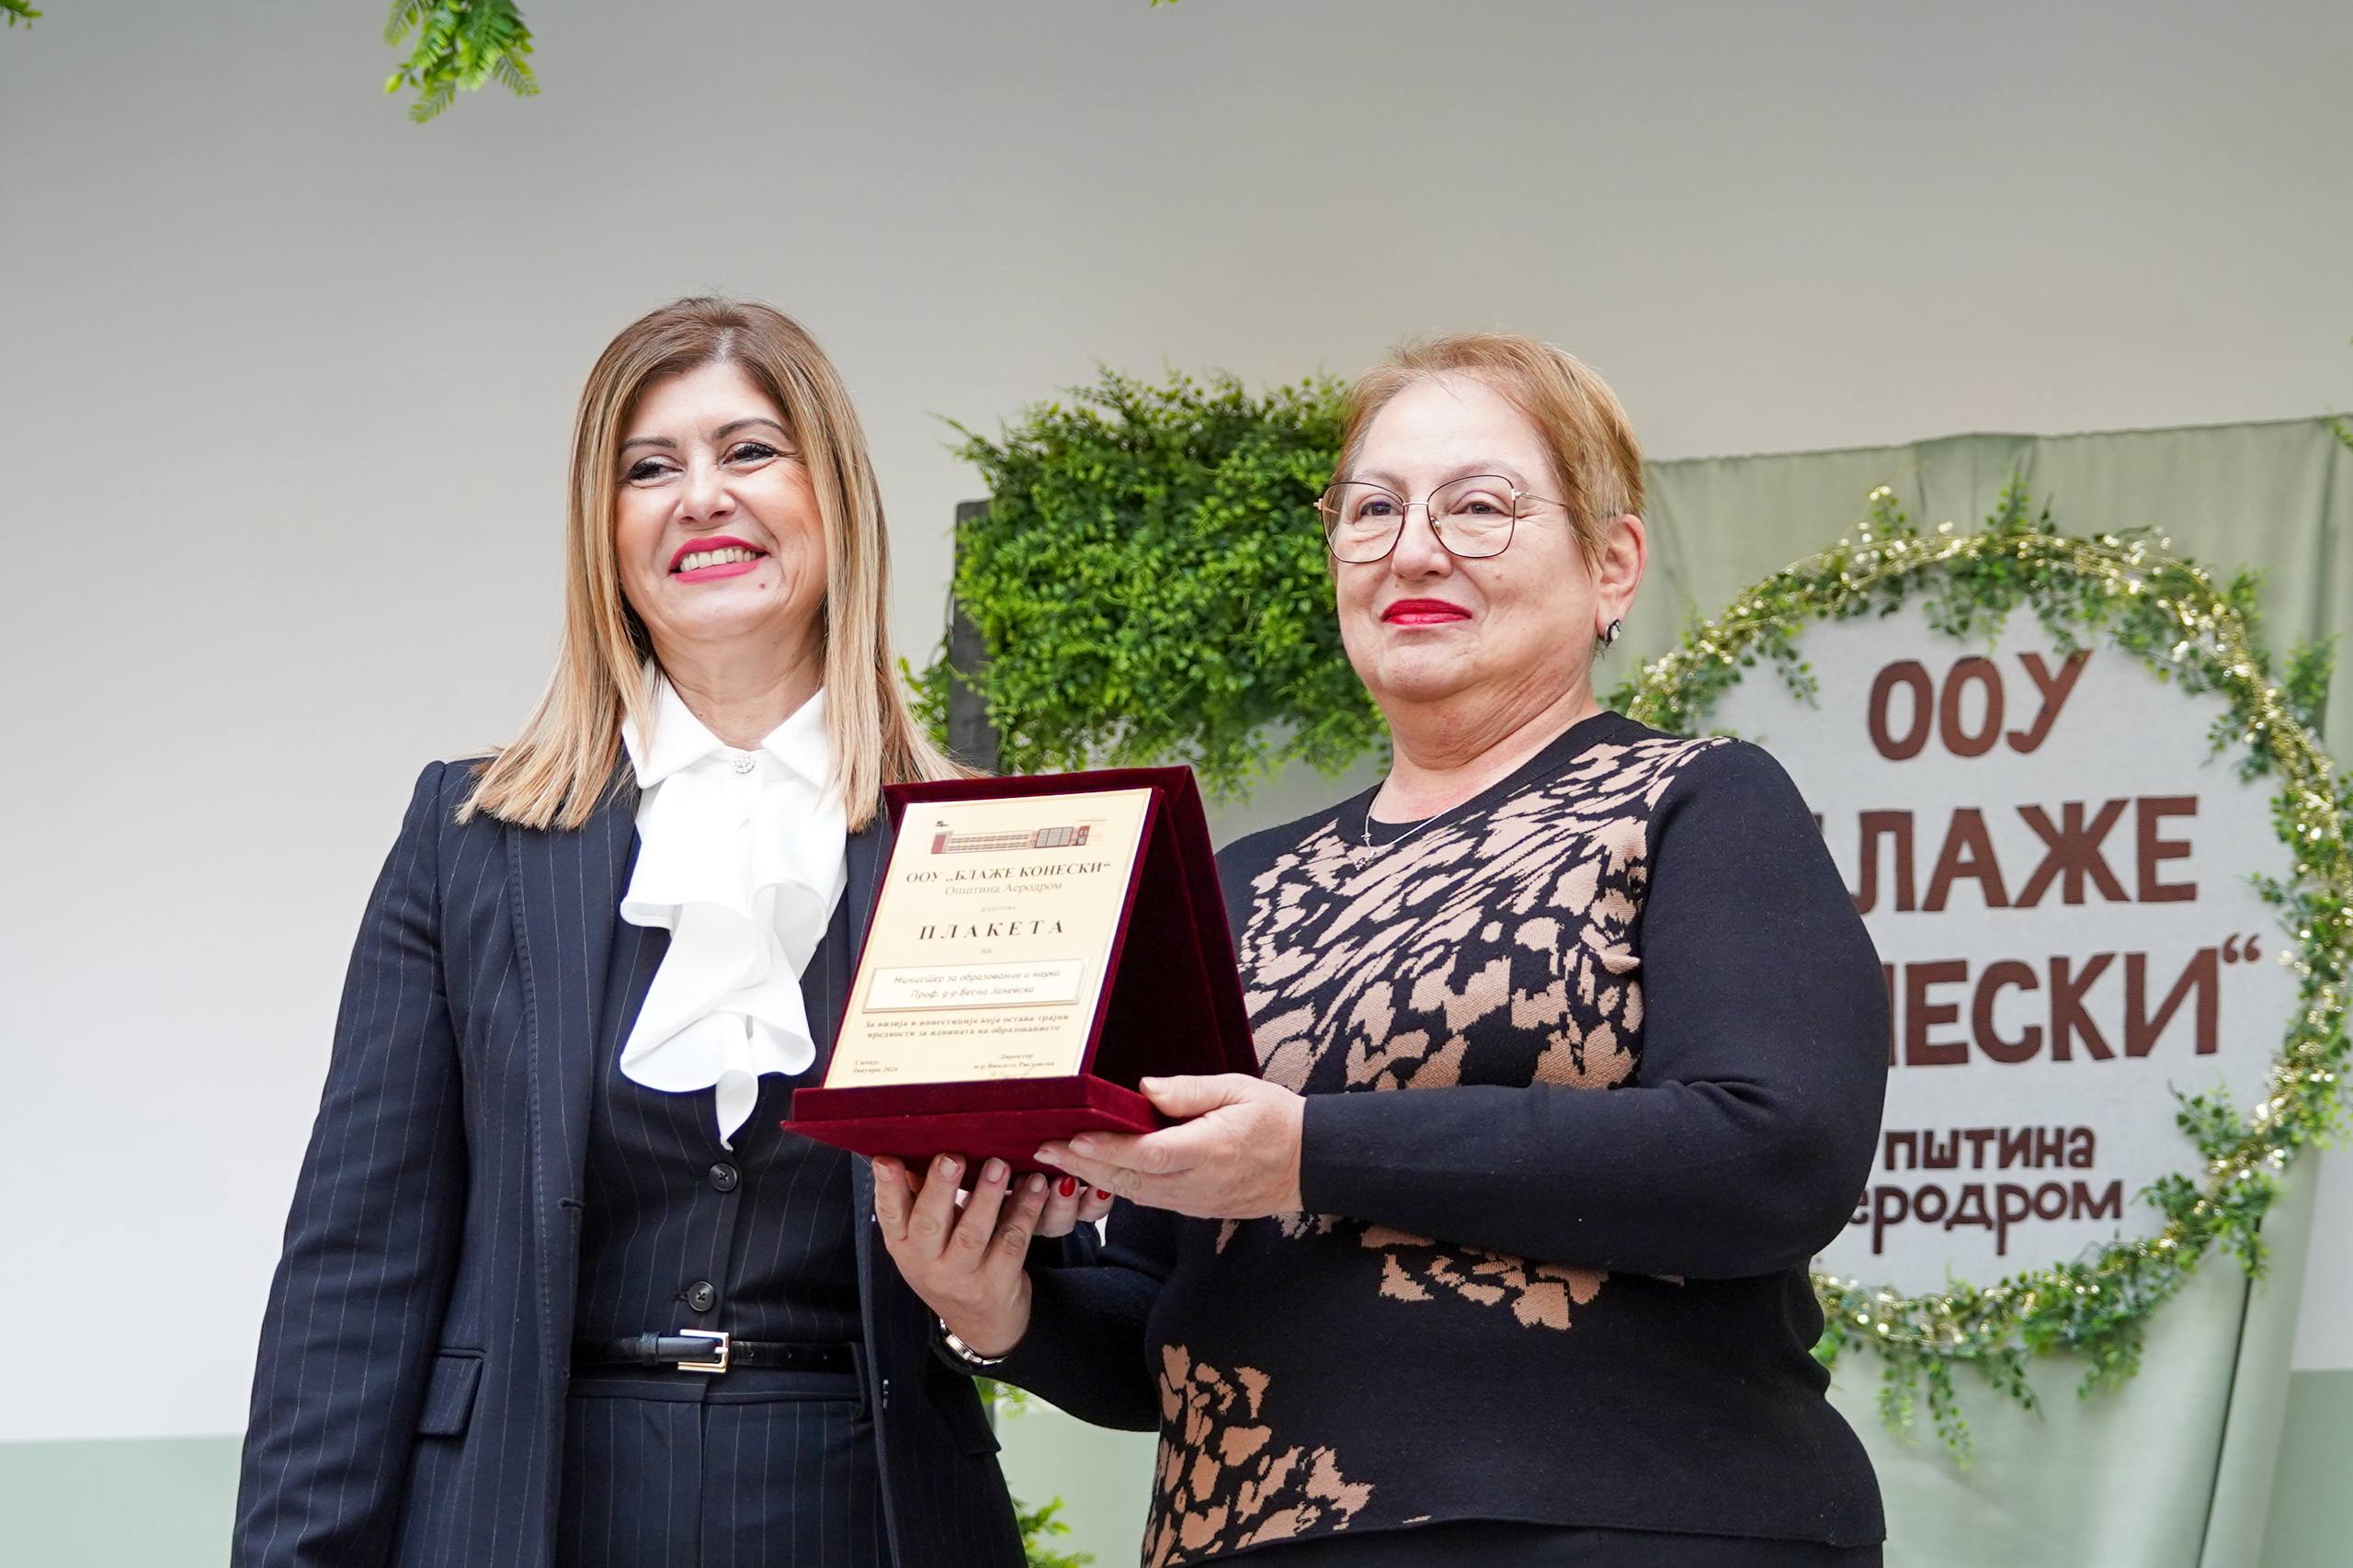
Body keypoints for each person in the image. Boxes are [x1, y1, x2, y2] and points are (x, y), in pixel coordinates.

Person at [877, 334, 1891, 1565]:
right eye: (1372, 510)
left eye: (1479, 506)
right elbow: (1159, 1326)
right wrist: (997, 1309)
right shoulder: (1239, 885)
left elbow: (1774, 1153)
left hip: (1632, 1526)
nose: (1414, 549)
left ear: (1611, 563)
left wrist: (1309, 1153)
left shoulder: (1696, 801)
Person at [233, 297, 1105, 1568]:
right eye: (649, 468)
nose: (701, 497)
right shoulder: (469, 837)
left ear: (836, 499)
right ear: (605, 533)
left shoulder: (983, 848)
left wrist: (994, 1295)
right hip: (526, 1512)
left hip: (865, 1513)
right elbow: (355, 1273)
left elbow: (1093, 1300)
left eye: (750, 451)